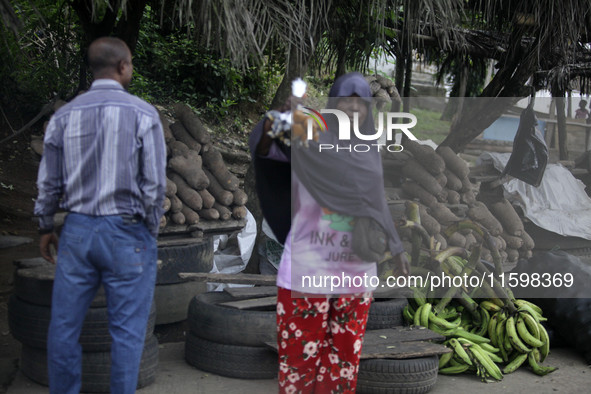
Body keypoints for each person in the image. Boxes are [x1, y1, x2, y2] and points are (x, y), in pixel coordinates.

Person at [249, 72, 409, 393]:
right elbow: (263, 144)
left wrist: (396, 247)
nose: (352, 108)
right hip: (308, 270)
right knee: (298, 365)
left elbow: (377, 203)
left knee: (344, 363)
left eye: (359, 102)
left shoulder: (369, 150)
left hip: (357, 273)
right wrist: (279, 118)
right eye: (344, 101)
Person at [34, 37, 166, 394]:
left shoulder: (64, 116)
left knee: (63, 328)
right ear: (123, 67)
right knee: (127, 334)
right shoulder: (142, 114)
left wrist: (46, 225)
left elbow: (48, 183)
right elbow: (154, 186)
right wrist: (148, 230)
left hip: (76, 232)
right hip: (127, 233)